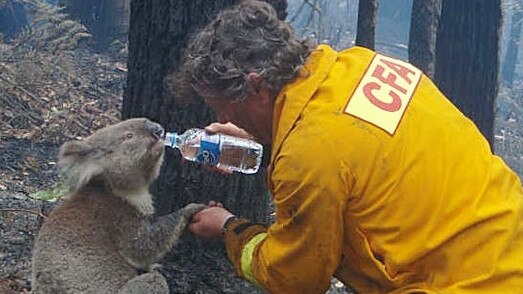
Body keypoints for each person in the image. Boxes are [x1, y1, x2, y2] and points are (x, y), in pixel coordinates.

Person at [172, 0, 523, 293]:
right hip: (508, 241)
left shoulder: (307, 157)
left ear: (257, 88)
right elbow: (355, 154)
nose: (221, 116)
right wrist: (262, 137)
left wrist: (229, 228)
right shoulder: (359, 65)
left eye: (224, 108)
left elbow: (295, 278)